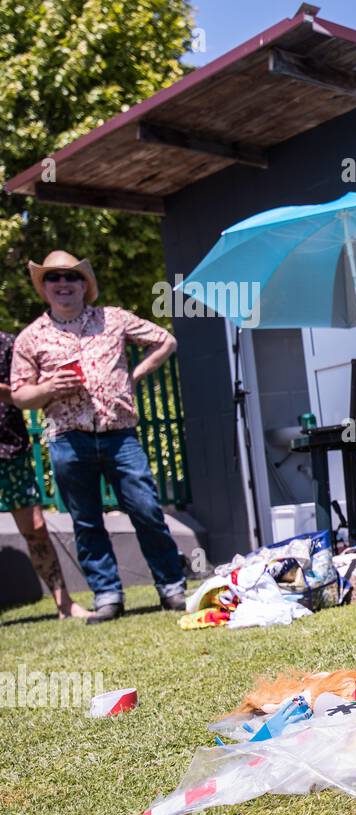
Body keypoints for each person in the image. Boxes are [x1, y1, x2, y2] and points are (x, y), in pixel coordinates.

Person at [9, 251, 187, 624]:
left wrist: (133, 377)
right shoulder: (31, 338)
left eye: (71, 277)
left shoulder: (113, 319)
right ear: (44, 287)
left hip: (120, 436)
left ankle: (172, 586)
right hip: (67, 439)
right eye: (54, 278)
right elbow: (20, 394)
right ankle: (107, 595)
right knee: (86, 522)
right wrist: (48, 387)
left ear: (84, 285)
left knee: (147, 511)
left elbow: (165, 341)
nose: (63, 284)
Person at [0, 329, 89, 619]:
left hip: (9, 448)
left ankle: (64, 605)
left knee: (36, 528)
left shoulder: (8, 344)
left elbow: (27, 394)